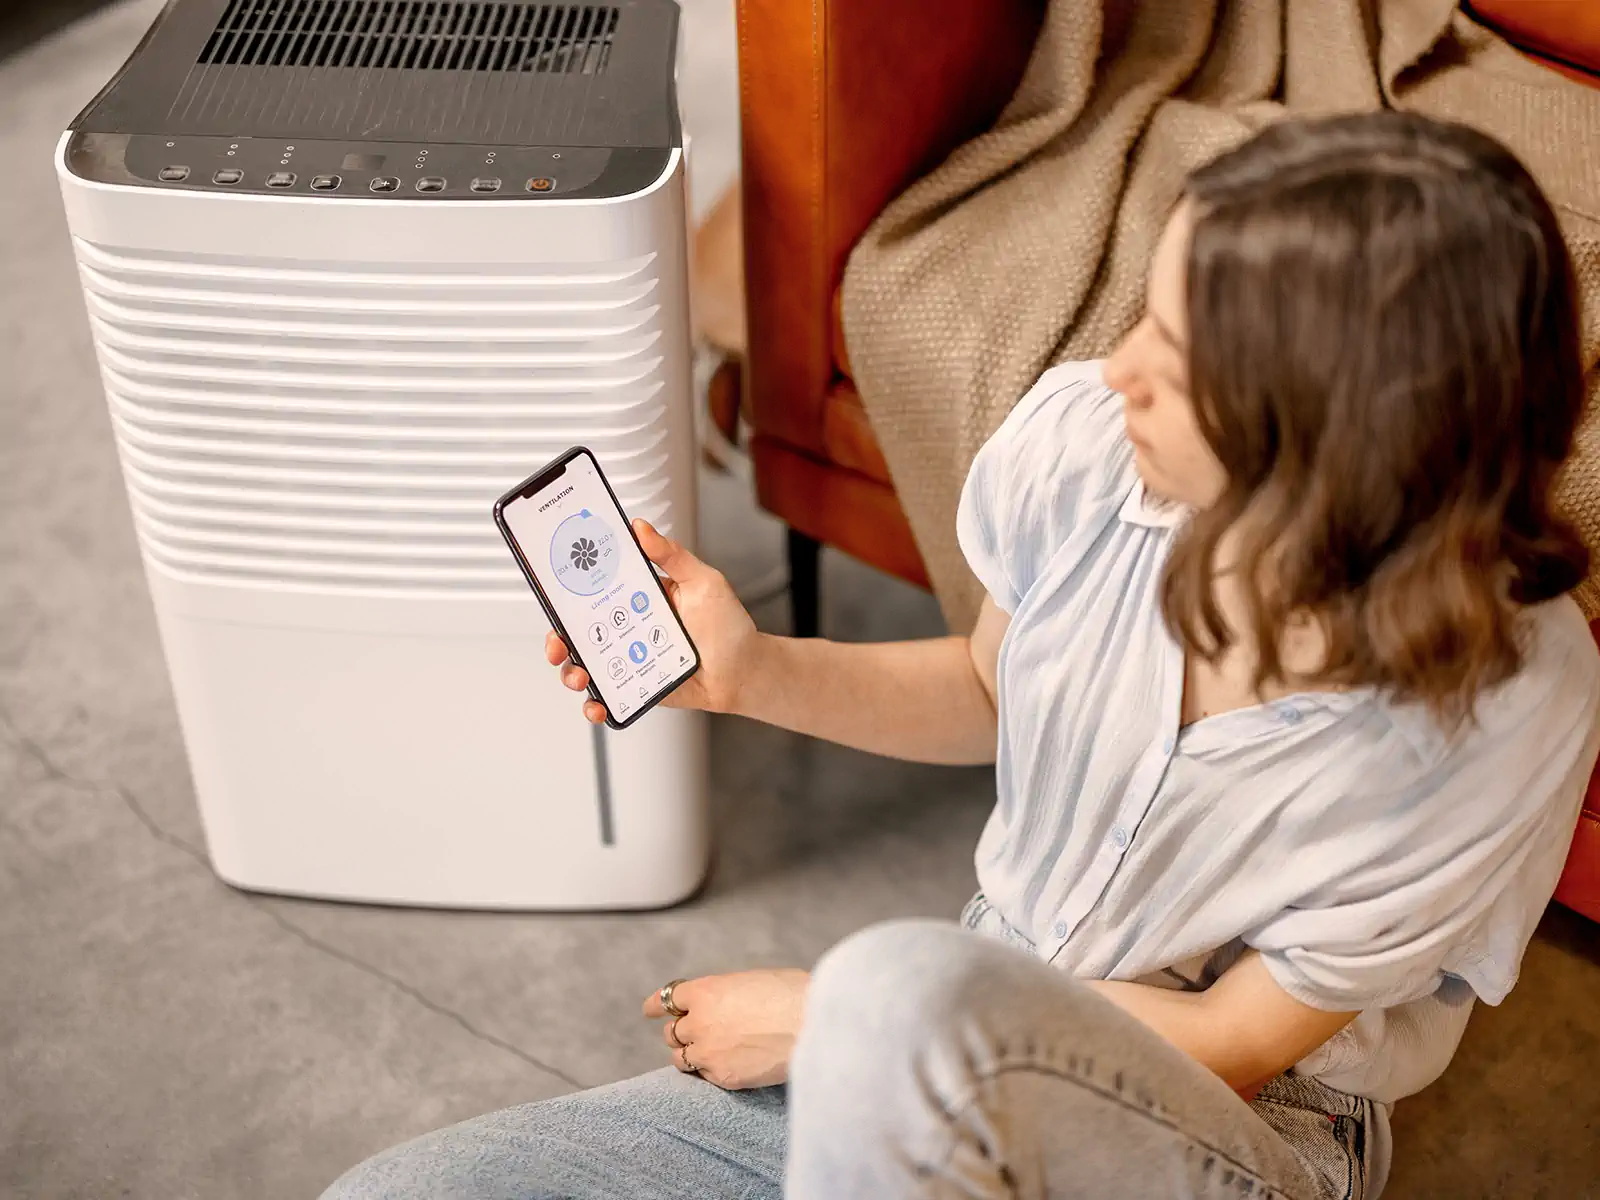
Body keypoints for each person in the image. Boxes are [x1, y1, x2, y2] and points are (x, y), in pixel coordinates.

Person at [324, 112, 1599, 1200]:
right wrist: (751, 668)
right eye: (1144, 319)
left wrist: (831, 1017)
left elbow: (1233, 1041)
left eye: (1183, 365)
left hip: (1236, 1126)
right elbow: (993, 687)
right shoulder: (1095, 453)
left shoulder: (1500, 704)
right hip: (945, 1019)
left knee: (893, 990)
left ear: (1334, 449)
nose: (1117, 373)